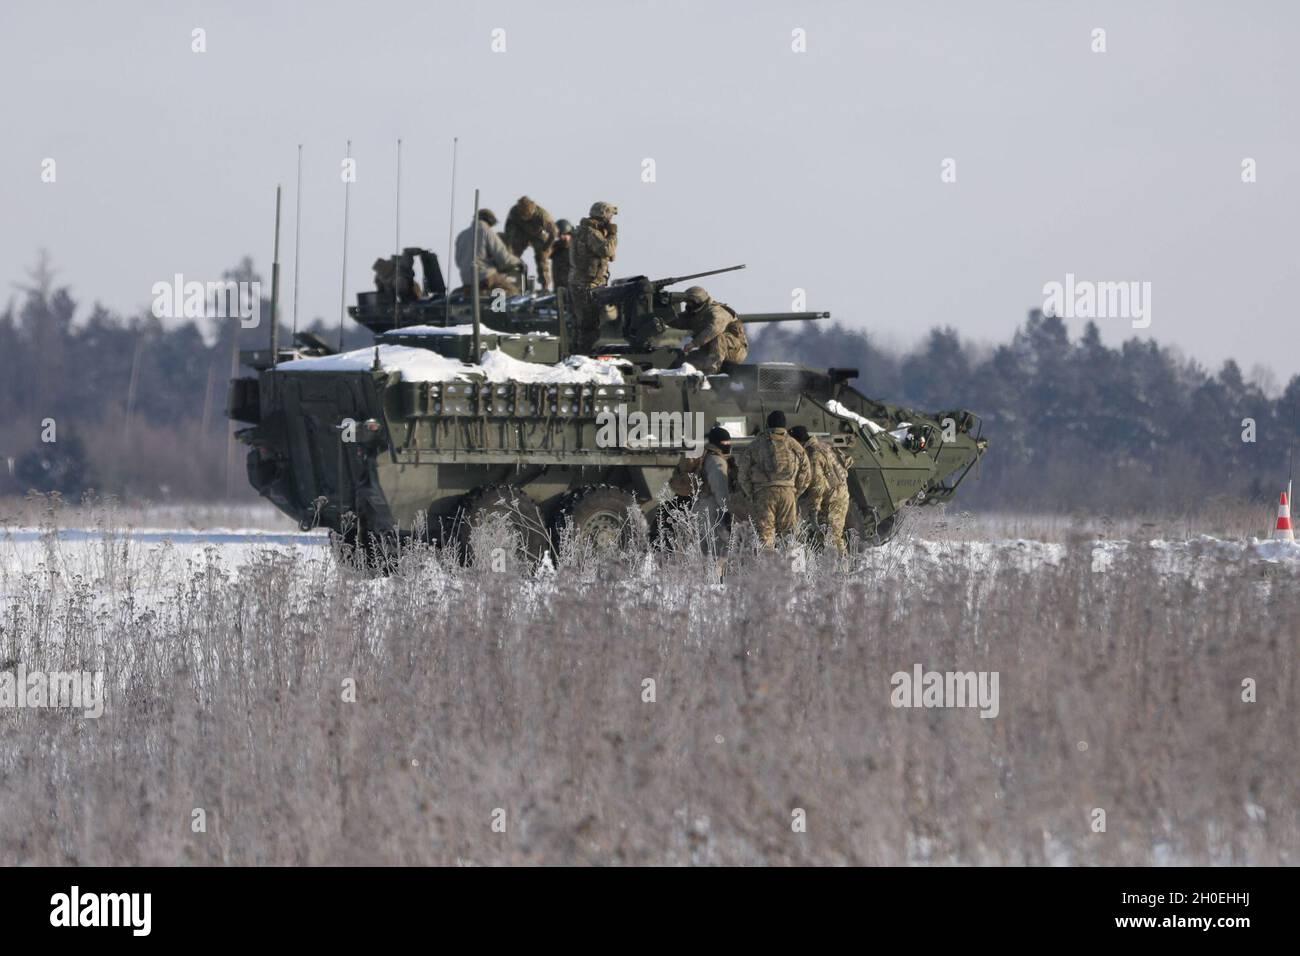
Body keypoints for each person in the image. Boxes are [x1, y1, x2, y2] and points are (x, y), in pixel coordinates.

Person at [736, 410, 810, 548]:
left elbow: (742, 473)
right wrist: (795, 492)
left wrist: (751, 493)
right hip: (788, 492)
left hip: (763, 494)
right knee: (789, 537)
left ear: (768, 424)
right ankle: (790, 567)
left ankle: (768, 568)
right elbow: (806, 473)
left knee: (765, 536)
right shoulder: (794, 445)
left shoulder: (756, 444)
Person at [790, 425, 851, 556]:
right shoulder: (824, 445)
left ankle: (841, 572)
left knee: (832, 538)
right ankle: (833, 569)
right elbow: (846, 463)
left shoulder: (813, 455)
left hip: (832, 499)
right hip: (840, 494)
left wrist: (813, 511)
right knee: (830, 536)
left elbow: (817, 486)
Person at [568, 201, 619, 352]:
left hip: (583, 283)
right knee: (589, 324)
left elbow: (610, 256)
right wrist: (612, 234)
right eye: (610, 215)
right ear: (604, 215)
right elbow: (607, 250)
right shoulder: (591, 232)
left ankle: (580, 353)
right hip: (587, 284)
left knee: (583, 323)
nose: (611, 219)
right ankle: (585, 356)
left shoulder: (586, 231)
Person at [672, 286, 749, 373]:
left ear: (697, 301)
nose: (688, 305)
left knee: (718, 337)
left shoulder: (717, 311)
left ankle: (712, 371)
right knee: (685, 363)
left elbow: (713, 329)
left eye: (690, 302)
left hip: (735, 350)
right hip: (709, 350)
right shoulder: (696, 313)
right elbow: (678, 321)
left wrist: (693, 343)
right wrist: (662, 316)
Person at [454, 209, 522, 295]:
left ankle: (484, 296)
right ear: (490, 221)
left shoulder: (461, 235)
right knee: (514, 293)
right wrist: (519, 262)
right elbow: (503, 258)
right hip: (485, 278)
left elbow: (458, 262)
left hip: (467, 281)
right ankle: (490, 299)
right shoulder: (486, 232)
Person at [503, 196, 558, 291]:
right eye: (523, 216)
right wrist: (509, 245)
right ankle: (510, 283)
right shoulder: (514, 212)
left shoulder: (542, 215)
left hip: (537, 235)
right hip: (521, 234)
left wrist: (546, 247)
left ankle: (545, 286)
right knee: (511, 257)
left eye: (528, 216)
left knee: (542, 259)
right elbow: (509, 228)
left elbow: (554, 232)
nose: (525, 218)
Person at [551, 219, 574, 294]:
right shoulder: (556, 248)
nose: (562, 237)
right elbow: (544, 253)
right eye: (559, 235)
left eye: (564, 234)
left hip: (573, 290)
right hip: (558, 289)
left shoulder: (576, 249)